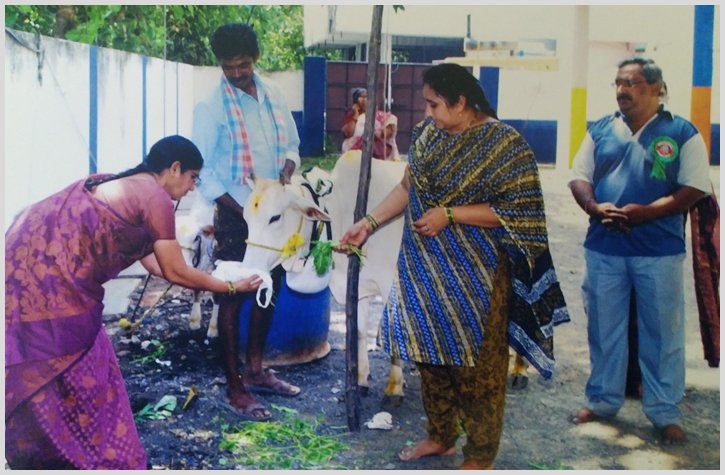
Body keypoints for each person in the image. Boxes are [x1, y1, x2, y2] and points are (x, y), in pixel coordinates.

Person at [339, 63, 567, 470]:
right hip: (424, 267)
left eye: (434, 104)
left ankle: (480, 455)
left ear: (461, 103)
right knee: (429, 356)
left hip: (479, 274)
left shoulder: (505, 145)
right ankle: (441, 435)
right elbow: (407, 188)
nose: (427, 113)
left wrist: (451, 214)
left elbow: (518, 211)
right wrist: (368, 224)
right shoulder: (428, 135)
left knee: (478, 368)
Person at [4, 135, 263, 469]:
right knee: (78, 365)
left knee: (66, 362)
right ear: (174, 168)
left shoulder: (125, 185)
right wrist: (229, 286)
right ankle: (87, 457)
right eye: (192, 178)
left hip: (22, 267)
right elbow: (174, 269)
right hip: (52, 285)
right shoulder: (155, 196)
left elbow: (156, 265)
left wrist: (210, 278)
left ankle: (52, 455)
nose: (191, 188)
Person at [568, 57, 712, 445]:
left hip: (658, 251)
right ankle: (602, 401)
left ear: (656, 89)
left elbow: (695, 187)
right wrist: (594, 207)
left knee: (662, 333)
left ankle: (664, 411)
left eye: (631, 83)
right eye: (618, 83)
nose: (622, 90)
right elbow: (579, 176)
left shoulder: (681, 132)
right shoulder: (601, 129)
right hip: (604, 248)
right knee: (604, 327)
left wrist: (648, 213)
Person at [192, 23, 302, 423]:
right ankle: (235, 386)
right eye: (228, 66)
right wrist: (241, 210)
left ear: (255, 58)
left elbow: (293, 145)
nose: (237, 73)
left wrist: (288, 166)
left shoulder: (274, 94)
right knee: (232, 294)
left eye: (243, 64)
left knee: (269, 287)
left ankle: (255, 369)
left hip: (273, 214)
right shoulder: (210, 108)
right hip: (237, 214)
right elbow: (202, 171)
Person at [341, 87, 400, 160]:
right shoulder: (352, 116)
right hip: (356, 154)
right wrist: (356, 115)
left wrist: (380, 133)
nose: (364, 100)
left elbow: (390, 127)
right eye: (361, 97)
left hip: (378, 152)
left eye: (366, 97)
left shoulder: (380, 116)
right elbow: (348, 133)